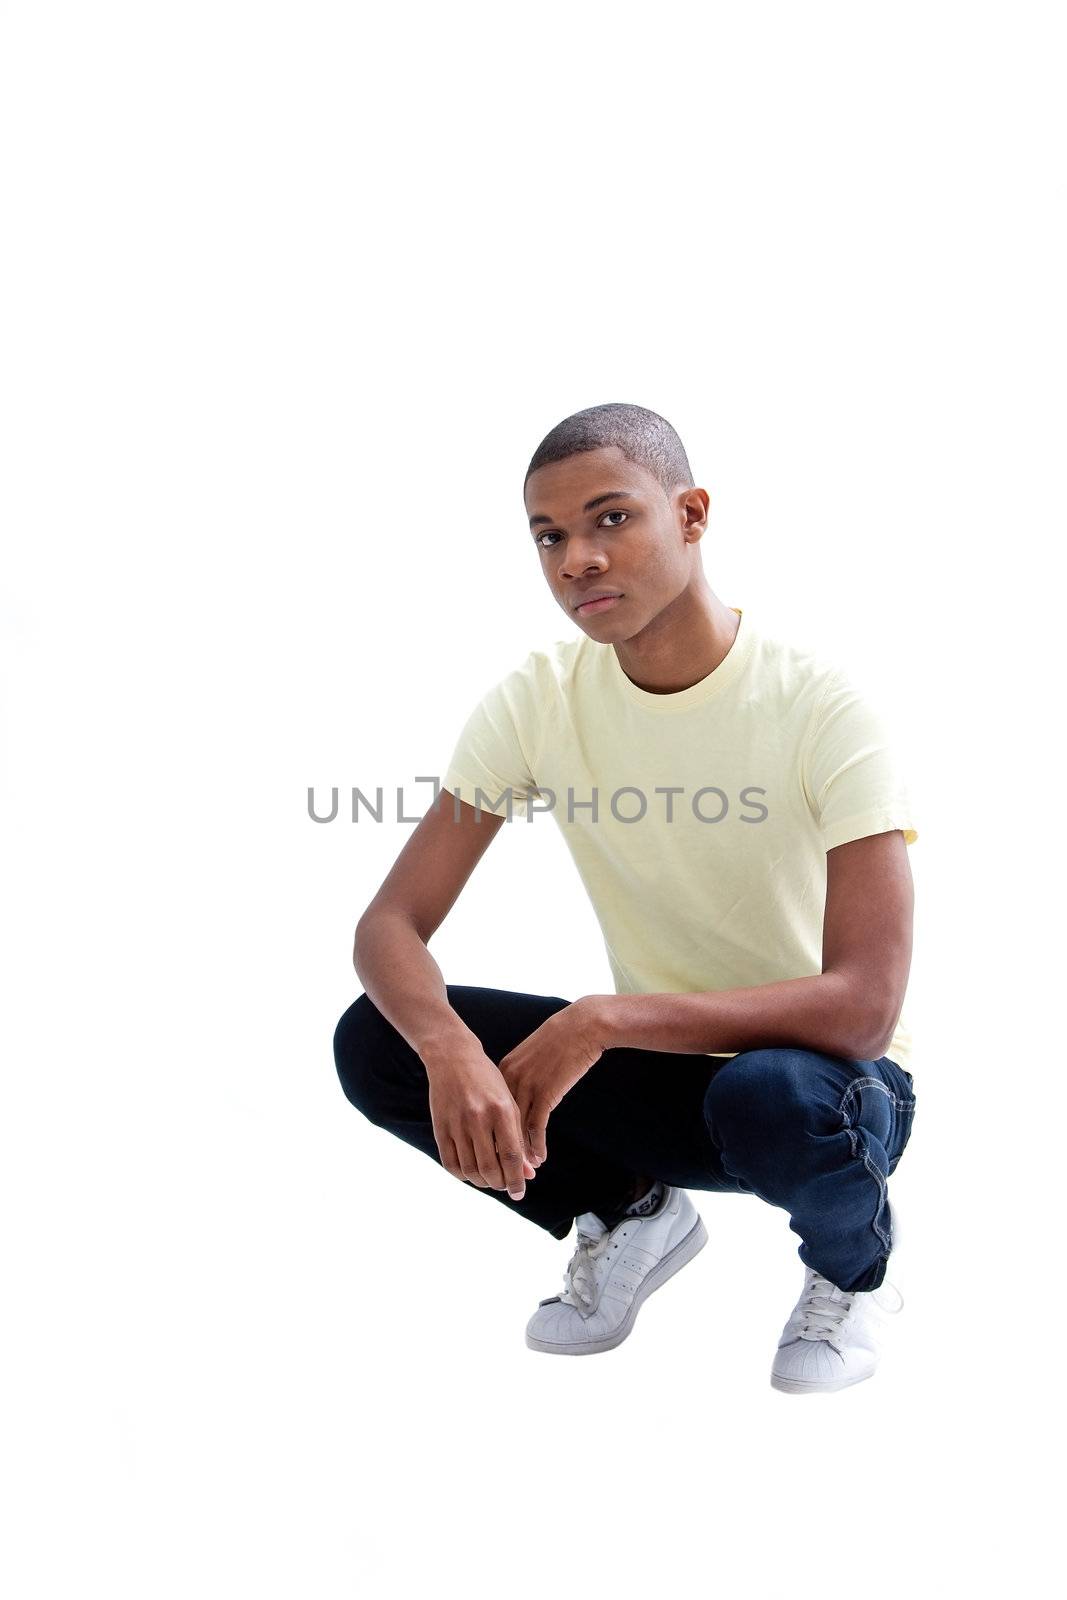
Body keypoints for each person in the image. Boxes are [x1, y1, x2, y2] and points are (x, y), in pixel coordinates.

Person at [333, 402, 918, 1394]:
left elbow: (864, 1004)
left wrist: (600, 1021)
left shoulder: (819, 705)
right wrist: (447, 1050)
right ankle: (632, 1213)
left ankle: (848, 1271)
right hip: (665, 1081)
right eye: (549, 536)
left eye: (611, 519)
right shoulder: (538, 701)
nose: (576, 561)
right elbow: (390, 926)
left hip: (828, 1092)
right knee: (377, 1038)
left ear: (689, 514)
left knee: (767, 1092)